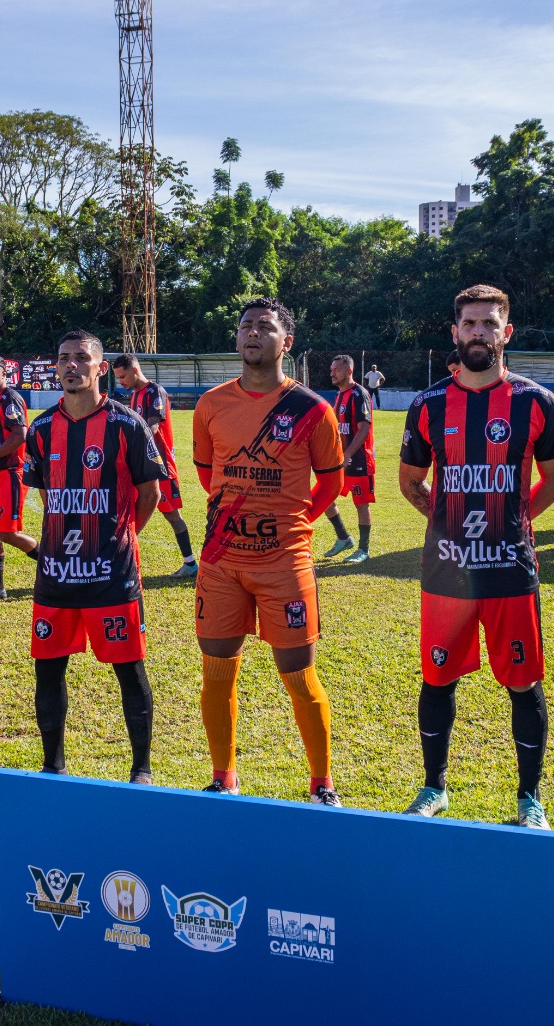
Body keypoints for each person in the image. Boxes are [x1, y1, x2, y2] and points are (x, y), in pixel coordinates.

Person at [399, 284, 554, 826]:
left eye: (489, 324)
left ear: (506, 332)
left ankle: (530, 798)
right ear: (455, 332)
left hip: (509, 571)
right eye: (470, 324)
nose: (479, 333)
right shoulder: (428, 405)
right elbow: (410, 481)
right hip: (446, 570)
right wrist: (446, 519)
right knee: (438, 677)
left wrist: (515, 520)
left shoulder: (537, 402)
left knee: (523, 681)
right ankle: (433, 787)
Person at [192, 297, 345, 805]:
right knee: (217, 673)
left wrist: (293, 522)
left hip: (285, 562)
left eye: (264, 327)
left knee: (300, 677)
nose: (252, 334)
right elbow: (205, 476)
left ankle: (322, 783)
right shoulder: (211, 405)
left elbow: (331, 481)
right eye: (245, 327)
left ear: (287, 341)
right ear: (236, 340)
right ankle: (223, 776)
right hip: (221, 562)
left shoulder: (311, 408)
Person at [24, 330, 167, 784]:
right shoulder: (42, 428)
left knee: (129, 671)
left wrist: (120, 537)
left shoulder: (127, 424)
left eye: (81, 359)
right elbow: (45, 492)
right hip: (55, 578)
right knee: (48, 672)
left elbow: (151, 493)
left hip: (112, 576)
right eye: (64, 358)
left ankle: (141, 769)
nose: (71, 366)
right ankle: (53, 767)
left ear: (100, 367)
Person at [111, 354, 198, 578]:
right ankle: (119, 556)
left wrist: (132, 449)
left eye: (122, 376)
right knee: (126, 509)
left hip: (159, 465)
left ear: (135, 370)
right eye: (118, 378)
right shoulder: (135, 396)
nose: (120, 381)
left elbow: (153, 427)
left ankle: (190, 563)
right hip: (139, 465)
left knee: (172, 515)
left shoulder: (153, 391)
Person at [0, 355, 37, 600]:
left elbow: (21, 435)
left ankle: (55, 568)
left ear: (4, 374)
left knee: (7, 533)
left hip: (10, 473)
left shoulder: (9, 398)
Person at [322, 355, 374, 564]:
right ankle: (343, 537)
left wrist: (348, 454)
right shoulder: (340, 395)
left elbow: (363, 430)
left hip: (359, 459)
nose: (332, 372)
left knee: (361, 504)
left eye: (337, 369)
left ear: (349, 371)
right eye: (331, 369)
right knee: (325, 496)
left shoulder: (358, 394)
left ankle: (364, 549)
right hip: (340, 460)